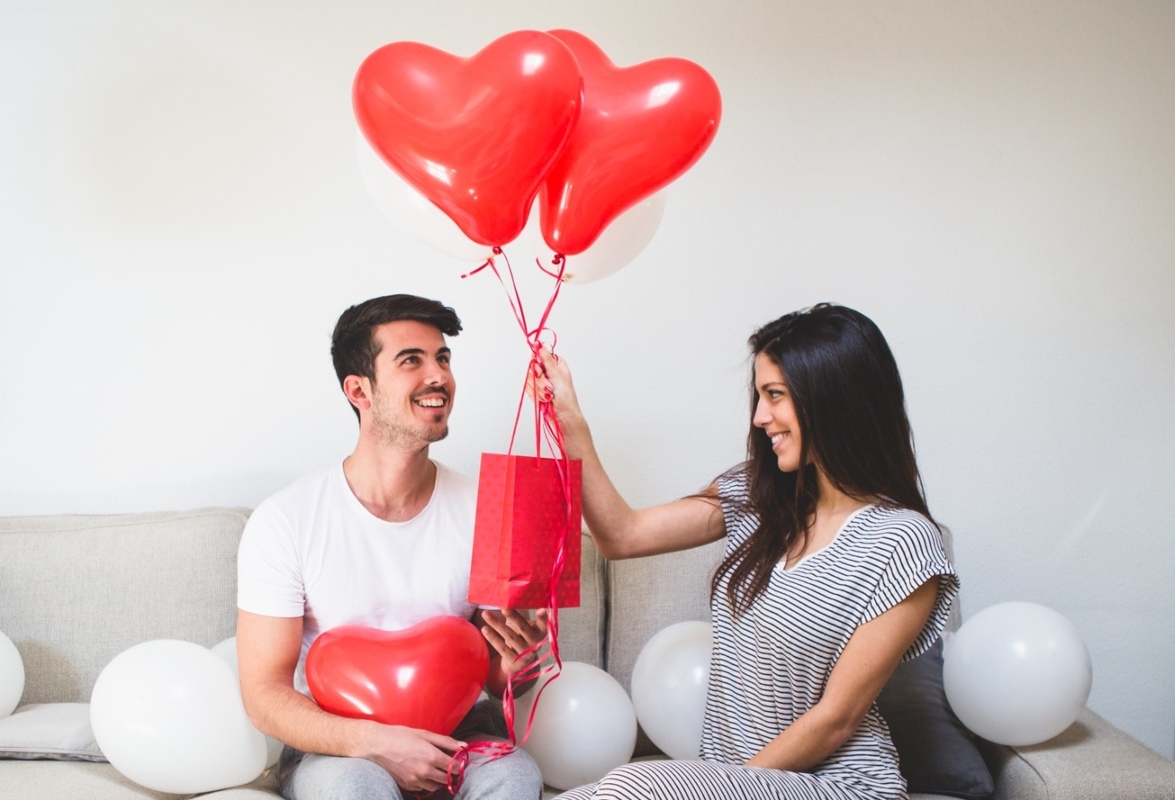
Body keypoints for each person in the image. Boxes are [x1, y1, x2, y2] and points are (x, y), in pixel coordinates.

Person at [535, 303, 959, 800]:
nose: (760, 417)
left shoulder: (903, 541)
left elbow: (837, 720)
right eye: (759, 396)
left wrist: (720, 791)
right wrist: (571, 421)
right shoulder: (756, 496)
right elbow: (622, 536)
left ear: (832, 399)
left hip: (840, 786)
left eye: (775, 395)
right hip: (741, 784)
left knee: (637, 782)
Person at [235, 294, 545, 800]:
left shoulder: (491, 508)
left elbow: (496, 677)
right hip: (341, 743)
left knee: (515, 775)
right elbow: (264, 694)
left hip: (459, 730)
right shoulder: (285, 520)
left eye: (442, 358)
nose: (438, 376)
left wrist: (520, 664)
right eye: (411, 361)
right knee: (356, 786)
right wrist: (375, 742)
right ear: (360, 390)